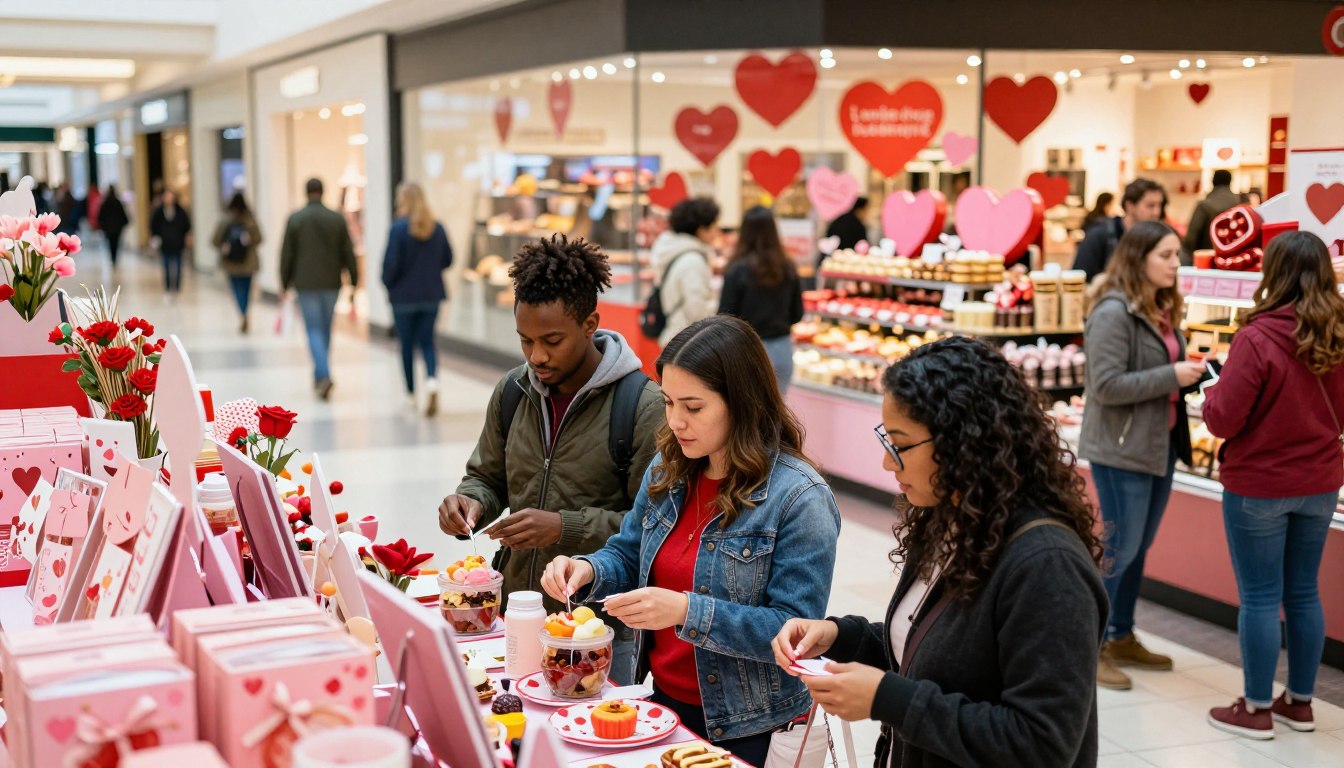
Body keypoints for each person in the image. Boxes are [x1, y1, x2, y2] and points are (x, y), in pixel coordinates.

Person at [772, 337, 1107, 768]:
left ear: (963, 441)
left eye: (900, 445)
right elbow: (934, 652)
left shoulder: (1047, 564)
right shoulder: (950, 518)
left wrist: (888, 700)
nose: (888, 465)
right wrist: (841, 637)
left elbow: (1041, 744)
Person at [542, 315, 841, 766]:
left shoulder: (800, 498)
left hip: (750, 727)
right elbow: (628, 553)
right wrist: (588, 569)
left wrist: (685, 610)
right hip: (663, 708)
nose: (677, 422)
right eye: (667, 403)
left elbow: (794, 635)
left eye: (694, 407)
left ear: (742, 403)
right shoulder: (668, 469)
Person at [438, 234, 665, 686]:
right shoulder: (512, 392)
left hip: (598, 629)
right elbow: (487, 475)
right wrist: (470, 501)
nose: (536, 356)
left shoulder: (641, 406)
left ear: (590, 323)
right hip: (514, 611)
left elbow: (656, 529)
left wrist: (565, 526)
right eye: (525, 341)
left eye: (552, 340)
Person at [1202, 231, 1344, 739]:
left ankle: (1256, 708)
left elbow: (1223, 419)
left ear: (1273, 274)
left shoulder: (1257, 337)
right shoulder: (1338, 333)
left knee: (1261, 597)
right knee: (1304, 592)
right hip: (1321, 480)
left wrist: (1213, 392)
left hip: (1260, 483)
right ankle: (1300, 703)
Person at [1078, 220, 1205, 691]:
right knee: (1119, 549)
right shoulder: (1113, 312)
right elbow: (1105, 386)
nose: (1176, 264)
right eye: (1167, 256)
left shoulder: (1160, 307)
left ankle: (1123, 633)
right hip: (1121, 448)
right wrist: (1173, 374)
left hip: (1160, 445)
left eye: (1178, 255)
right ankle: (1089, 647)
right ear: (1139, 258)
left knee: (1138, 548)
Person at [280, 178, 358, 401]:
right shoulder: (336, 219)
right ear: (322, 192)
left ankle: (322, 375)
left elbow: (287, 254)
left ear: (306, 193)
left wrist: (284, 283)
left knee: (313, 330)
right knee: (325, 330)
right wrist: (354, 279)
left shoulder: (295, 219)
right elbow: (348, 251)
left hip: (305, 284)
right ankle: (320, 375)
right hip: (331, 283)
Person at [381, 182, 453, 416]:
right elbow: (448, 259)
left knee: (406, 346)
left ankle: (410, 393)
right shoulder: (437, 228)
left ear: (402, 200)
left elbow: (390, 265)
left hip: (403, 298)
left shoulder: (398, 229)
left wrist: (388, 284)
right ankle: (432, 382)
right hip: (431, 295)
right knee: (428, 342)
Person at [717, 206, 803, 392]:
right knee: (777, 411)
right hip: (781, 348)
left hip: (747, 348)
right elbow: (797, 314)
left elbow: (724, 317)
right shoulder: (787, 267)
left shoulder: (736, 270)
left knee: (749, 414)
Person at [650, 197, 719, 347]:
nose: (716, 231)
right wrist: (719, 302)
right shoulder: (693, 260)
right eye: (714, 225)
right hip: (687, 343)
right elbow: (697, 312)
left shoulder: (676, 252)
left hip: (675, 336)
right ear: (701, 229)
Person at [1072, 178, 1165, 281]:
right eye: (1150, 206)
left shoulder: (1159, 238)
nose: (1156, 212)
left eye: (1159, 205)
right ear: (1130, 206)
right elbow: (1079, 278)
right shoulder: (1099, 235)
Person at [212, 192, 262, 334]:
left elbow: (215, 240)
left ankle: (242, 312)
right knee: (246, 289)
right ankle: (245, 311)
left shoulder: (226, 219)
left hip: (231, 262)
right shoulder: (251, 220)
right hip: (249, 262)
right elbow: (259, 239)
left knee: (237, 289)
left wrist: (225, 245)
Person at [1183, 169, 1240, 255]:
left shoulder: (1204, 206)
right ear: (1230, 182)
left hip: (1208, 259)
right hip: (1236, 259)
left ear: (1213, 182)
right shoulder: (1240, 204)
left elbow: (1191, 238)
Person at [150, 188, 192, 300]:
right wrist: (155, 238)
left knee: (178, 266)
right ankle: (168, 287)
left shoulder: (180, 211)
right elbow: (154, 226)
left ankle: (177, 287)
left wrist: (187, 237)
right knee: (166, 267)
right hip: (165, 244)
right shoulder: (159, 211)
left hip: (178, 243)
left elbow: (186, 225)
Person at [96, 185, 129, 268]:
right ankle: (114, 259)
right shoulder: (118, 202)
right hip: (117, 228)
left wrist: (103, 226)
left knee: (110, 244)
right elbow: (123, 216)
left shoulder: (105, 203)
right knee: (116, 244)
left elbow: (100, 217)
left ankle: (113, 258)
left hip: (108, 229)